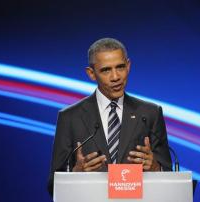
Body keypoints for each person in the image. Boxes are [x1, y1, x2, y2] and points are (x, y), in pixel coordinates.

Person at [47, 38, 172, 197]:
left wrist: (155, 168)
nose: (115, 77)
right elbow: (53, 186)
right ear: (91, 74)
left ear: (128, 66)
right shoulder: (70, 117)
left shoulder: (149, 114)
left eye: (120, 67)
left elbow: (170, 176)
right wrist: (74, 174)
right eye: (106, 70)